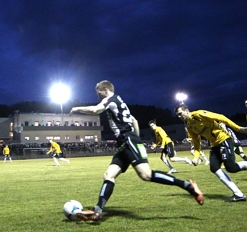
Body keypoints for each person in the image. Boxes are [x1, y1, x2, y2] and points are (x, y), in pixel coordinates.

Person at [70, 80, 203, 222]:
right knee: (109, 175)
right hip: (126, 142)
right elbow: (134, 121)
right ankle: (97, 211)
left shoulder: (111, 100)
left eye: (98, 92)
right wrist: (136, 140)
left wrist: (77, 109)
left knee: (146, 175)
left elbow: (96, 110)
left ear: (105, 89)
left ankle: (188, 186)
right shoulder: (120, 102)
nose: (97, 95)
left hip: (128, 139)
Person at [175, 103, 247, 202]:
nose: (179, 116)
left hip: (224, 139)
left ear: (186, 110)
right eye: (178, 115)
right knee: (214, 167)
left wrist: (239, 129)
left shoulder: (199, 114)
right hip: (214, 145)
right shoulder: (190, 126)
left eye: (180, 113)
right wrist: (196, 157)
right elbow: (196, 142)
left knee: (231, 168)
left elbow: (221, 117)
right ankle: (239, 194)